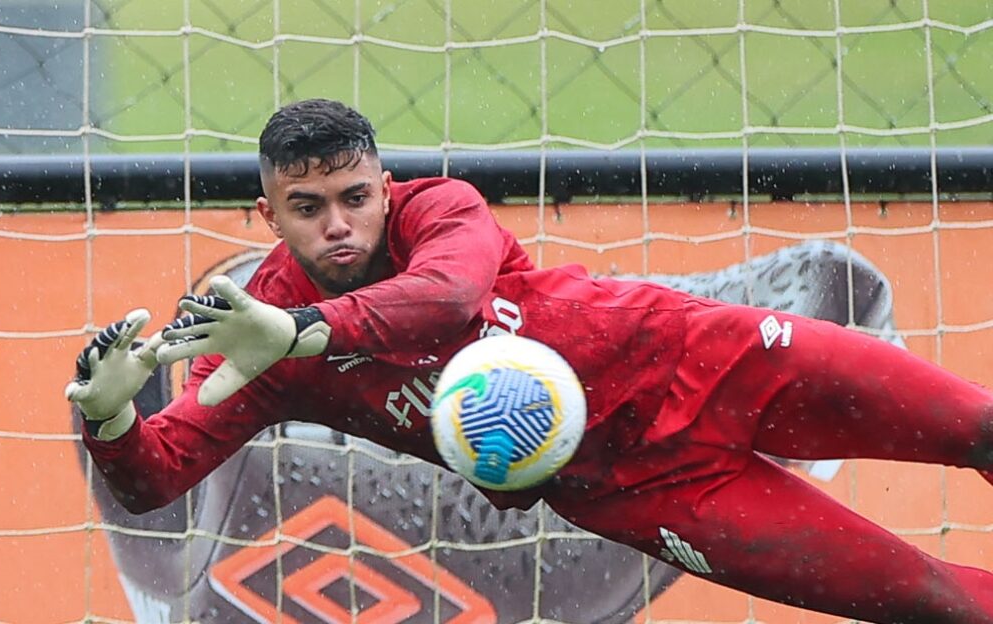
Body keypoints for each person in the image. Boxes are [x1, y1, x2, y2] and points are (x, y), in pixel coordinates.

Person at [67, 98, 993, 623]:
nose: (339, 224)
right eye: (309, 208)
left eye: (355, 197)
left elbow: (448, 298)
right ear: (269, 216)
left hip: (709, 360)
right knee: (933, 604)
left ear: (387, 189)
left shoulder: (441, 210)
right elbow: (156, 479)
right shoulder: (251, 337)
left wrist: (307, 333)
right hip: (643, 491)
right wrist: (107, 418)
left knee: (982, 427)